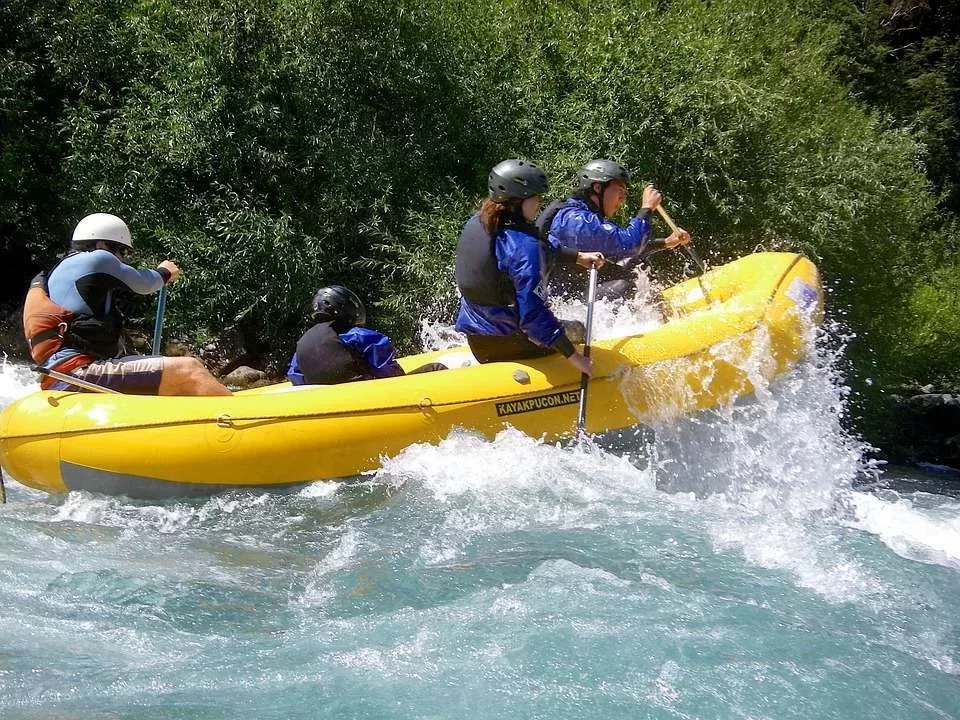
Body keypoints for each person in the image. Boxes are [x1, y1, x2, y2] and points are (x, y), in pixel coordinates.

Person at [23, 212, 231, 396]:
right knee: (190, 369)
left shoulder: (60, 271)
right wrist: (165, 272)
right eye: (123, 252)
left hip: (60, 372)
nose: (124, 260)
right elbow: (145, 283)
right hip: (78, 371)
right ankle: (239, 421)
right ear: (103, 245)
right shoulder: (98, 258)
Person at [454, 159, 603, 374]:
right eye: (536, 198)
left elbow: (528, 249)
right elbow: (532, 313)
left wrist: (577, 256)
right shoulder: (525, 247)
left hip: (478, 343)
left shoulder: (480, 222)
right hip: (511, 345)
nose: (540, 203)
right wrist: (575, 358)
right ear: (516, 201)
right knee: (578, 329)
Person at [536, 158, 692, 299]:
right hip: (563, 305)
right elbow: (630, 244)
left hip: (574, 294)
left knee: (635, 266)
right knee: (624, 286)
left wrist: (665, 242)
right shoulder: (577, 220)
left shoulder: (583, 216)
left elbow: (620, 252)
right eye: (620, 192)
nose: (622, 200)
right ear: (598, 188)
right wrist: (646, 209)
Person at [287, 285, 445, 385]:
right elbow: (388, 373)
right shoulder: (359, 336)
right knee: (437, 368)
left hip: (329, 403)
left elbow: (294, 376)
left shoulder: (302, 346)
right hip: (370, 395)